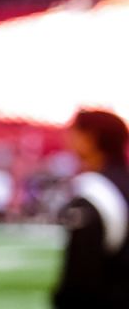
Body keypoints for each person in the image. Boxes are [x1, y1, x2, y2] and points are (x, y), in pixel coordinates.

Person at [52, 109, 129, 309]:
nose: (69, 139)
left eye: (75, 132)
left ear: (91, 137)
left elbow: (80, 277)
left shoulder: (95, 193)